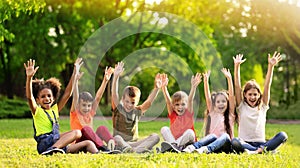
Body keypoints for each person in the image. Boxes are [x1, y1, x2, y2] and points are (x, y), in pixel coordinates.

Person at [24, 58, 99, 155]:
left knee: (87, 143)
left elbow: (67, 94)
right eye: (43, 97)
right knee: (76, 133)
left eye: (49, 96)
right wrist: (29, 77)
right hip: (45, 143)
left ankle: (101, 153)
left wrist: (74, 73)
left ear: (53, 98)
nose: (47, 99)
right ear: (37, 100)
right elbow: (29, 97)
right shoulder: (37, 111)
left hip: (57, 142)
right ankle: (52, 149)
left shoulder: (55, 110)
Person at [231, 52, 288, 154]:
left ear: (259, 95)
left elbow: (267, 86)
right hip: (245, 142)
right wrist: (237, 66)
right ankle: (263, 151)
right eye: (250, 94)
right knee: (235, 141)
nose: (252, 97)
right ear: (244, 95)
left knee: (283, 135)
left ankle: (258, 150)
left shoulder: (263, 106)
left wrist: (271, 66)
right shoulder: (241, 106)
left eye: (255, 94)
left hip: (261, 142)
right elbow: (237, 86)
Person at [183, 68, 237, 154]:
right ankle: (192, 147)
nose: (221, 104)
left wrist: (229, 79)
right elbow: (208, 97)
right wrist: (206, 81)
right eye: (218, 102)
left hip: (226, 146)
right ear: (214, 104)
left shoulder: (230, 114)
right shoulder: (213, 113)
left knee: (225, 136)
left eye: (223, 101)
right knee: (212, 136)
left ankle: (206, 149)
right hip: (213, 145)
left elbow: (231, 96)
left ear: (227, 103)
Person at [111, 62, 160, 153]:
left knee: (155, 137)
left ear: (137, 102)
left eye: (133, 102)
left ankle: (135, 150)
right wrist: (116, 77)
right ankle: (139, 150)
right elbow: (114, 94)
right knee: (117, 138)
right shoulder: (118, 109)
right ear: (122, 99)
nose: (129, 105)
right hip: (121, 143)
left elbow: (148, 102)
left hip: (134, 143)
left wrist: (156, 88)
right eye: (127, 101)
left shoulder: (137, 111)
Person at [70, 64, 120, 153]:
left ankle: (114, 146)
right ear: (78, 105)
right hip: (79, 143)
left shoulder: (90, 113)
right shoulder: (75, 113)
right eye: (84, 105)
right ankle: (104, 148)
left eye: (89, 105)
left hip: (92, 141)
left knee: (102, 128)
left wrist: (105, 81)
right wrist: (76, 81)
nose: (87, 108)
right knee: (86, 129)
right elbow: (75, 97)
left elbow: (98, 97)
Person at [159, 73, 201, 153]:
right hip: (176, 141)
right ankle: (175, 147)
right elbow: (168, 102)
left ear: (186, 105)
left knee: (190, 132)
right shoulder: (173, 114)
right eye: (177, 105)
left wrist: (194, 87)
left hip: (188, 141)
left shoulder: (188, 113)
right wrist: (164, 88)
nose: (180, 107)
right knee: (164, 129)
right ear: (173, 106)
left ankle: (173, 147)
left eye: (183, 104)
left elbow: (190, 100)